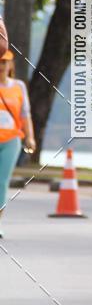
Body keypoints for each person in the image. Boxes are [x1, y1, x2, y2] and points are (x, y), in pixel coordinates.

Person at [0, 49, 36, 238]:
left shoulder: (19, 86)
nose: (2, 66)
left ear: (10, 65)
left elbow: (25, 114)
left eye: (5, 62)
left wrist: (30, 137)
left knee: (2, 181)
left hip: (12, 139)